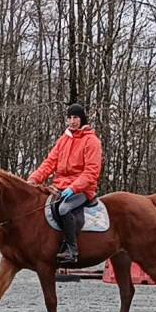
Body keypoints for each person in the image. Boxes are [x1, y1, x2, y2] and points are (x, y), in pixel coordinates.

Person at [28, 103, 103, 264]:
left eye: (75, 117)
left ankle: (72, 249)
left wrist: (73, 187)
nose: (72, 121)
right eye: (69, 117)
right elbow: (49, 163)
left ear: (81, 119)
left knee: (63, 208)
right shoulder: (64, 140)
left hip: (83, 189)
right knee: (45, 206)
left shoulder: (92, 141)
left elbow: (92, 172)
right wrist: (33, 180)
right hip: (60, 187)